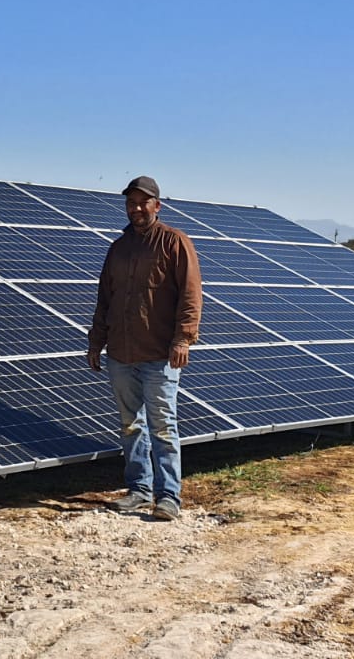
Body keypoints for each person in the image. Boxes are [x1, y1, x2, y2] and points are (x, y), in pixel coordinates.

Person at [87, 175, 202, 521]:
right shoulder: (118, 248)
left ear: (157, 205)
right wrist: (96, 341)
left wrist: (183, 338)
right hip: (121, 353)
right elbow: (104, 298)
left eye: (142, 203)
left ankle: (169, 497)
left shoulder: (174, 242)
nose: (136, 209)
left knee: (163, 426)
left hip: (158, 355)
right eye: (130, 204)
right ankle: (138, 490)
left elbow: (191, 295)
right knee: (130, 425)